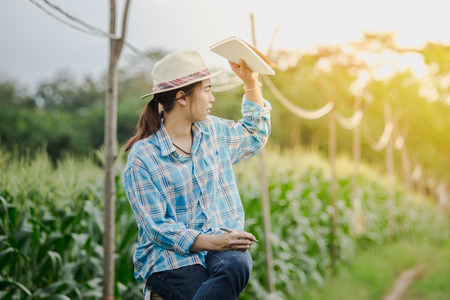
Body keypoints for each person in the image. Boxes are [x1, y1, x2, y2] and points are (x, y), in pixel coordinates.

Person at [121, 50, 272, 300]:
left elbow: (254, 135)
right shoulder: (143, 156)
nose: (212, 98)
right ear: (182, 97)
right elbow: (158, 228)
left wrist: (251, 83)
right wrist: (215, 242)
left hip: (218, 246)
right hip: (169, 259)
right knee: (200, 290)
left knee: (237, 264)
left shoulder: (211, 132)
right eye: (207, 90)